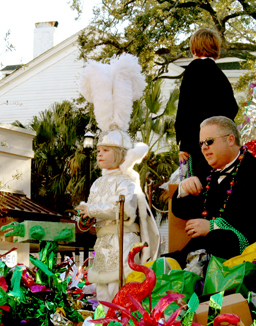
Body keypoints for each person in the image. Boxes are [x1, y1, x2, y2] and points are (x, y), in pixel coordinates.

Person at [76, 54, 160, 304]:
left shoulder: (127, 181)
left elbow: (123, 210)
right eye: (99, 150)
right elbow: (94, 218)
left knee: (121, 297)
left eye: (106, 150)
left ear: (121, 153)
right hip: (103, 247)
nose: (99, 153)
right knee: (102, 298)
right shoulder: (97, 183)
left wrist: (92, 209)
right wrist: (85, 217)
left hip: (124, 248)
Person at [168, 116, 256, 268]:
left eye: (209, 141)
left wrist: (213, 227)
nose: (204, 147)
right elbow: (182, 211)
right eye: (201, 143)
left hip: (243, 257)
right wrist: (183, 188)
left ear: (230, 140)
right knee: (161, 266)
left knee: (215, 240)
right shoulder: (204, 171)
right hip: (199, 252)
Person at [175, 28, 239, 172]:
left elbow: (185, 108)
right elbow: (232, 107)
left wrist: (184, 145)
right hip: (220, 142)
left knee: (198, 183)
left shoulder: (192, 70)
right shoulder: (219, 74)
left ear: (195, 48)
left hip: (198, 143)